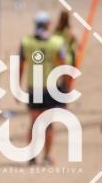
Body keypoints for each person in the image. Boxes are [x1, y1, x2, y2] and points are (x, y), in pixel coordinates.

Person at [20, 11, 68, 165]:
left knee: (34, 122)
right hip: (51, 88)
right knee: (48, 124)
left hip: (34, 87)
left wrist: (19, 85)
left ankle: (31, 156)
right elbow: (64, 65)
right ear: (48, 24)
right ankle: (46, 156)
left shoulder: (26, 42)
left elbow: (21, 65)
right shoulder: (57, 42)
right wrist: (65, 88)